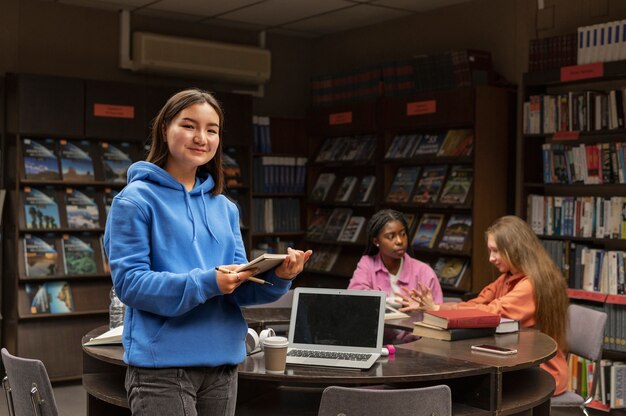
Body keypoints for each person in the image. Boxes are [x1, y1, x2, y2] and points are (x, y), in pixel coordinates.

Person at [103, 88, 312, 416]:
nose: (201, 137)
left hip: (223, 365)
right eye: (189, 125)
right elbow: (130, 285)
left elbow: (236, 291)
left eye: (211, 130)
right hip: (162, 369)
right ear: (164, 129)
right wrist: (208, 282)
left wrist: (278, 276)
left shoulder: (225, 208)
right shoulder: (134, 201)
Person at [397, 215, 569, 396]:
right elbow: (478, 303)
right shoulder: (509, 276)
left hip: (539, 373)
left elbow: (492, 311)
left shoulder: (531, 285)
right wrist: (435, 307)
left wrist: (437, 309)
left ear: (515, 249)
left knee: (462, 386)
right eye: (490, 251)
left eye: (496, 251)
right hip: (515, 363)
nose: (491, 258)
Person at [347, 209, 443, 343]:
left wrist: (426, 307)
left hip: (416, 345)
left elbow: (439, 317)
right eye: (391, 236)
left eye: (403, 234)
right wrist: (396, 303)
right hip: (375, 344)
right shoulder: (367, 264)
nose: (399, 241)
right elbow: (355, 299)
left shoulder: (424, 271)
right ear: (376, 241)